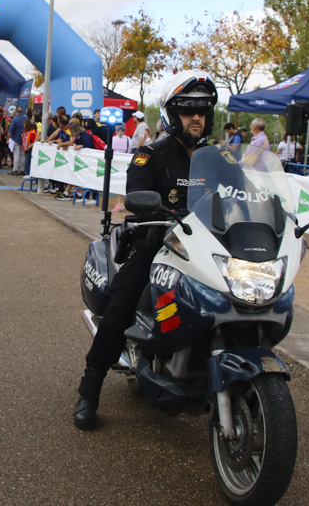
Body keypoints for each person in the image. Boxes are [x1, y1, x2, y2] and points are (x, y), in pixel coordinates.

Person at [73, 69, 217, 430]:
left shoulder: (218, 160)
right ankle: (89, 390)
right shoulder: (150, 155)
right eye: (187, 109)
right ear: (172, 113)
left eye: (202, 110)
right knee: (121, 306)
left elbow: (241, 195)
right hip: (156, 246)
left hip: (205, 252)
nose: (195, 117)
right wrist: (150, 209)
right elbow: (136, 194)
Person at [8, 106, 27, 175]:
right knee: (22, 155)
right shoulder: (26, 118)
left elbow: (11, 130)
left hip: (15, 139)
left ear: (16, 112)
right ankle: (23, 170)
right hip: (24, 139)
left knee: (16, 155)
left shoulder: (15, 119)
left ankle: (15, 170)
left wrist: (8, 138)